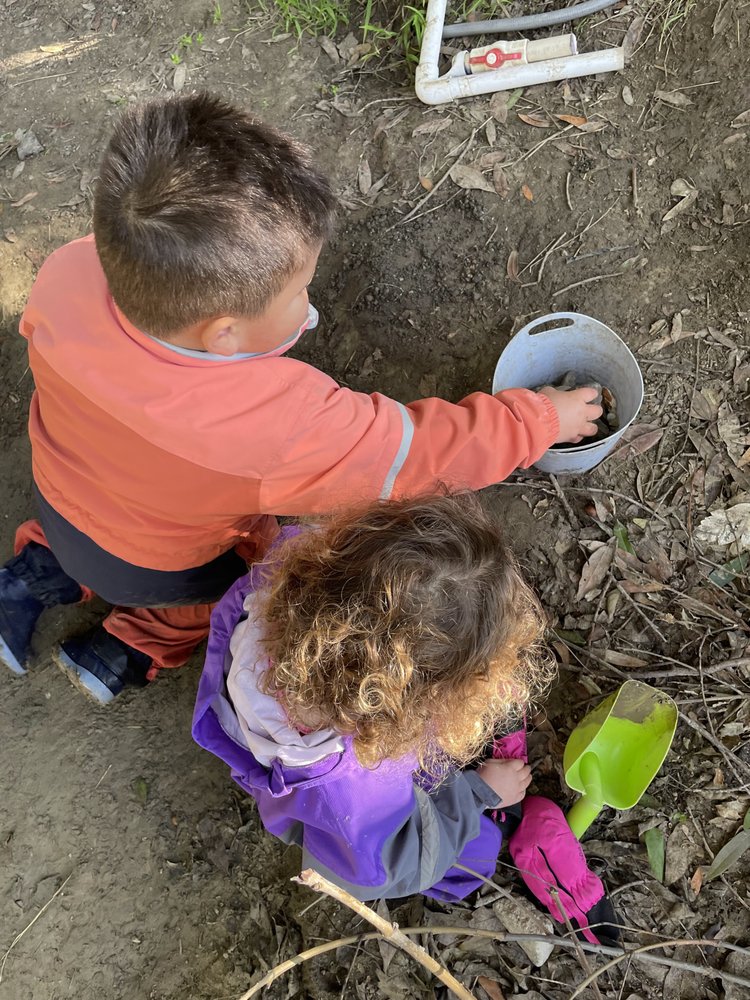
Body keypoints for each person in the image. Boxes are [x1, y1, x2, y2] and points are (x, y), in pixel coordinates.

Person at [0, 92, 602, 704]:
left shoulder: (68, 273)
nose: (308, 306)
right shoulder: (276, 427)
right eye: (300, 289)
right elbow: (416, 457)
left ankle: (33, 575)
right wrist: (541, 418)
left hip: (59, 493)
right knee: (233, 581)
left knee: (94, 523)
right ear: (223, 334)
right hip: (154, 566)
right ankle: (129, 645)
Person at [193, 493, 550, 900]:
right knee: (477, 856)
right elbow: (393, 868)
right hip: (339, 813)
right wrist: (478, 794)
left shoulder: (275, 587)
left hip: (277, 742)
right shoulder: (356, 795)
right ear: (416, 700)